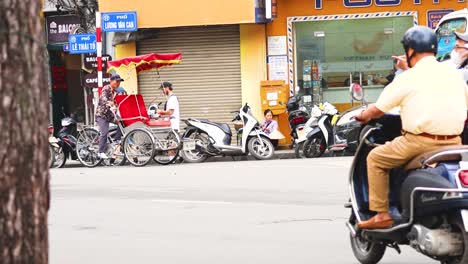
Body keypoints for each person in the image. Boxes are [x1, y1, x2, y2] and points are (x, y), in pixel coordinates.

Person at [355, 26, 468, 230]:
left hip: (419, 143)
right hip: (454, 143)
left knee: (375, 158)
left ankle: (382, 214)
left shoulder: (407, 78)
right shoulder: (452, 74)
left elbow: (378, 110)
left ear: (410, 50)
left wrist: (362, 116)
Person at [95, 74, 124, 159]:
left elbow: (116, 103)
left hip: (110, 115)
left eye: (119, 82)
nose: (118, 83)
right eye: (117, 81)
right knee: (104, 132)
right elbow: (103, 97)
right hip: (102, 115)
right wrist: (108, 101)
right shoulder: (106, 88)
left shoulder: (115, 92)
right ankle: (100, 152)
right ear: (111, 81)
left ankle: (117, 139)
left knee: (121, 121)